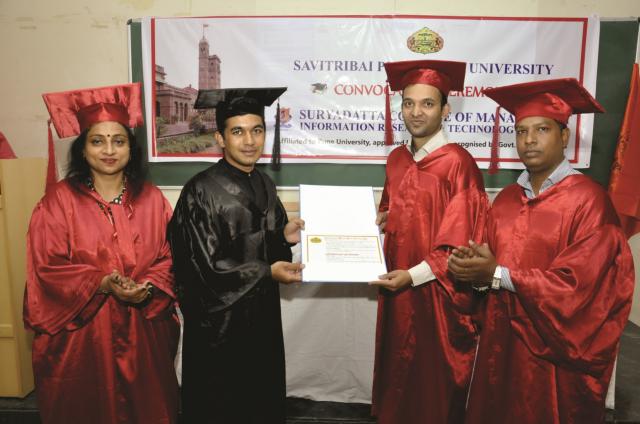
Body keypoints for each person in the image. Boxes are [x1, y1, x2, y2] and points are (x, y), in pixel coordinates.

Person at [448, 78, 635, 424]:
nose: (529, 140)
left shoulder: (588, 201)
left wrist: (497, 275)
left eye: (542, 129)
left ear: (564, 137)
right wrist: (474, 275)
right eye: (521, 131)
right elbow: (488, 274)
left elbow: (580, 290)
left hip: (553, 361)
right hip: (501, 348)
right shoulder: (505, 201)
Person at [24, 83, 180, 424]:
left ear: (130, 149)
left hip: (142, 333)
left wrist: (148, 286)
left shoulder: (152, 200)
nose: (109, 150)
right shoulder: (58, 202)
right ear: (82, 150)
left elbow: (170, 257)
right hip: (83, 338)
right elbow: (46, 268)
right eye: (97, 141)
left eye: (119, 141)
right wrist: (101, 283)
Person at [167, 87, 305, 424]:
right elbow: (202, 267)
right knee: (222, 405)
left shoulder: (265, 184)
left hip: (262, 317)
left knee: (260, 397)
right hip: (219, 327)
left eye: (257, 130)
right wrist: (265, 272)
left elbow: (264, 246)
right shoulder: (200, 190)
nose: (249, 141)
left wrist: (282, 237)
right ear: (220, 138)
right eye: (238, 132)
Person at [369, 60, 489, 424]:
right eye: (409, 103)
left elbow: (461, 243)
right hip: (397, 291)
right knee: (398, 377)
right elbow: (390, 209)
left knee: (432, 387)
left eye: (427, 103)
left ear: (445, 109)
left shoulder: (458, 164)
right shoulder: (397, 159)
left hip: (439, 298)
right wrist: (384, 219)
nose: (416, 112)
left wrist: (412, 275)